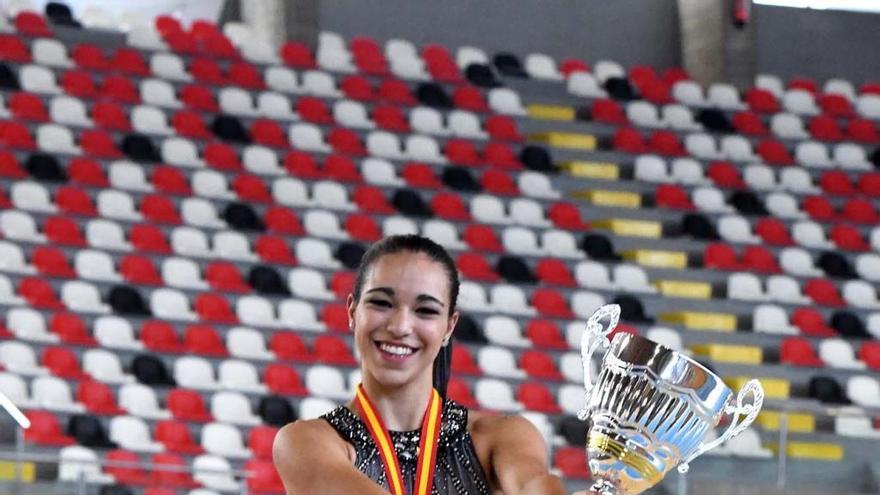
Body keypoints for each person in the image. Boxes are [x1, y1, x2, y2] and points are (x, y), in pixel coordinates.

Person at [273, 234, 593, 494]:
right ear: (352, 312)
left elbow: (532, 483)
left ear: (449, 327)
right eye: (382, 303)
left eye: (425, 310)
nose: (400, 326)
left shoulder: (500, 436)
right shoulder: (306, 442)